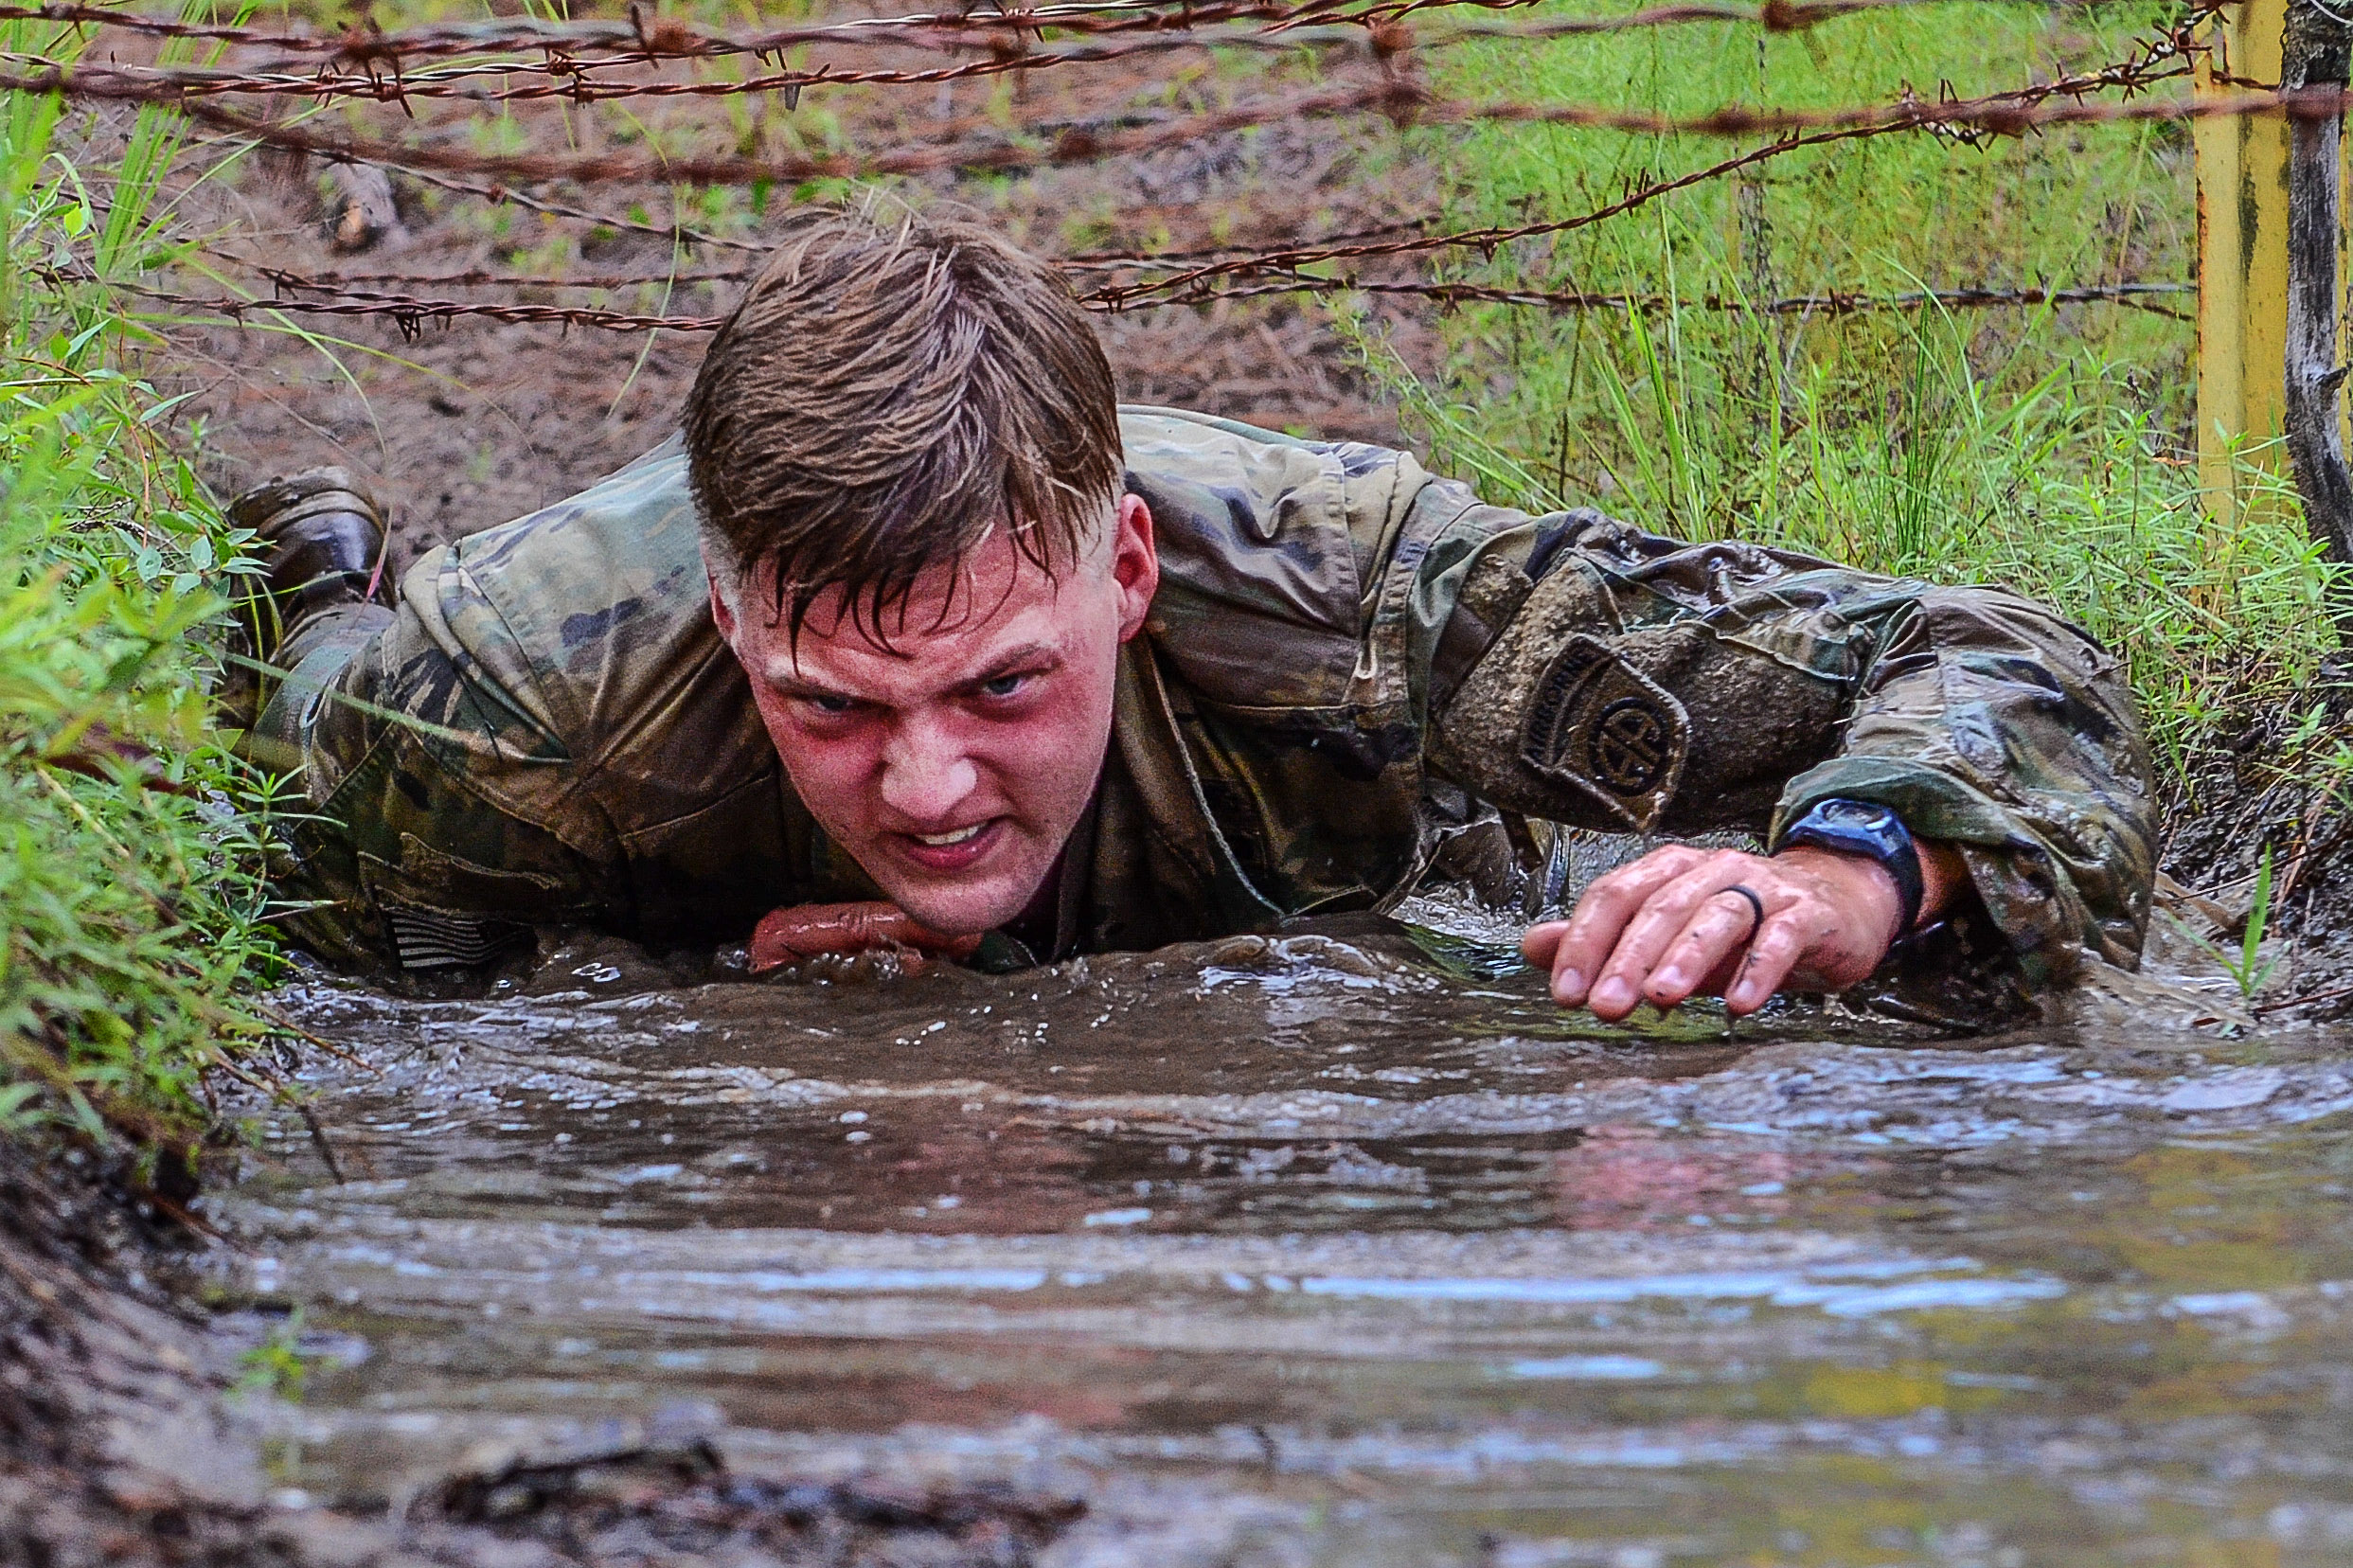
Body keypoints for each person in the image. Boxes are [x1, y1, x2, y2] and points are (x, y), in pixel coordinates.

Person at [224, 201, 2156, 1023]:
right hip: (466, 652)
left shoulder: (1351, 586)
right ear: (737, 634)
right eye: (833, 709)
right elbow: (309, 982)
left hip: (1300, 775)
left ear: (1125, 574)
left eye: (1000, 685)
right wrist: (657, 992)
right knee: (310, 678)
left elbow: (2000, 659)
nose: (924, 784)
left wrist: (1844, 878)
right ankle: (319, 547)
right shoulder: (504, 702)